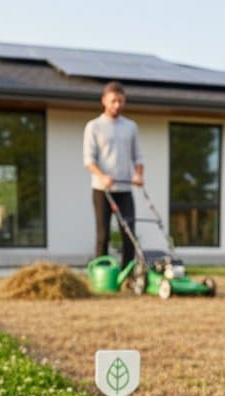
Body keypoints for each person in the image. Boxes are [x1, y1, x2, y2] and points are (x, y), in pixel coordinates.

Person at [83, 81, 144, 269]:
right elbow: (89, 160)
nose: (117, 105)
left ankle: (128, 273)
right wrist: (102, 176)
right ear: (104, 101)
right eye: (113, 101)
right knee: (103, 235)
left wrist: (139, 175)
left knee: (129, 233)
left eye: (121, 101)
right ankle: (101, 274)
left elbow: (138, 156)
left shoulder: (131, 127)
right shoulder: (93, 126)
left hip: (125, 189)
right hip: (102, 190)